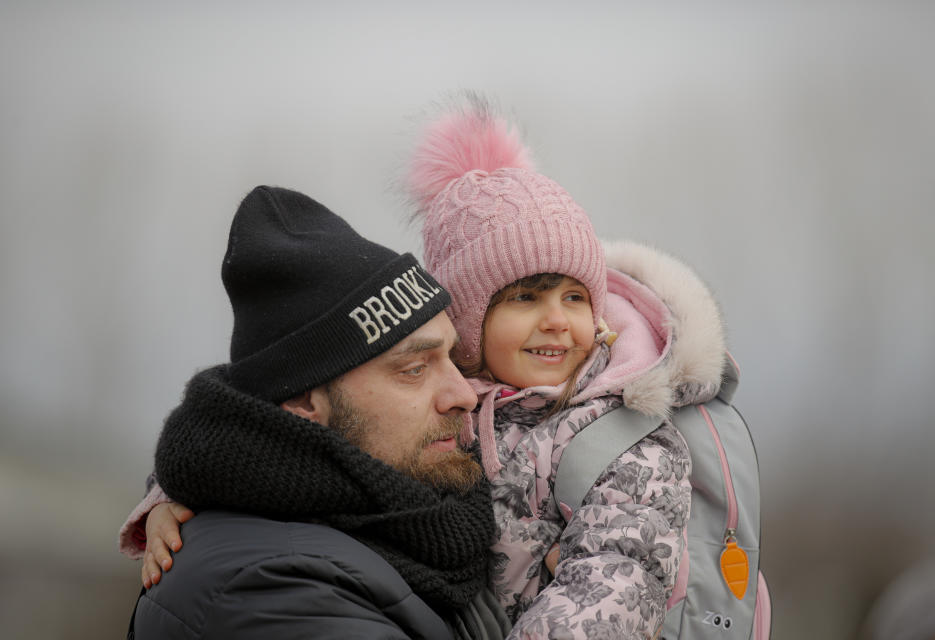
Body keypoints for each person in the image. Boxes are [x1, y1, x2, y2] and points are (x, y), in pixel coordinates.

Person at [125, 97, 735, 639]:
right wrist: (173, 495)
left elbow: (620, 573)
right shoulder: (275, 587)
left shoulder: (623, 434)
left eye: (575, 297)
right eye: (413, 368)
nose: (556, 320)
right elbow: (230, 441)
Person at [122, 185, 510, 640]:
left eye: (454, 359)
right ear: (305, 401)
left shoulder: (423, 525)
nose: (464, 395)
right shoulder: (267, 588)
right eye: (412, 369)